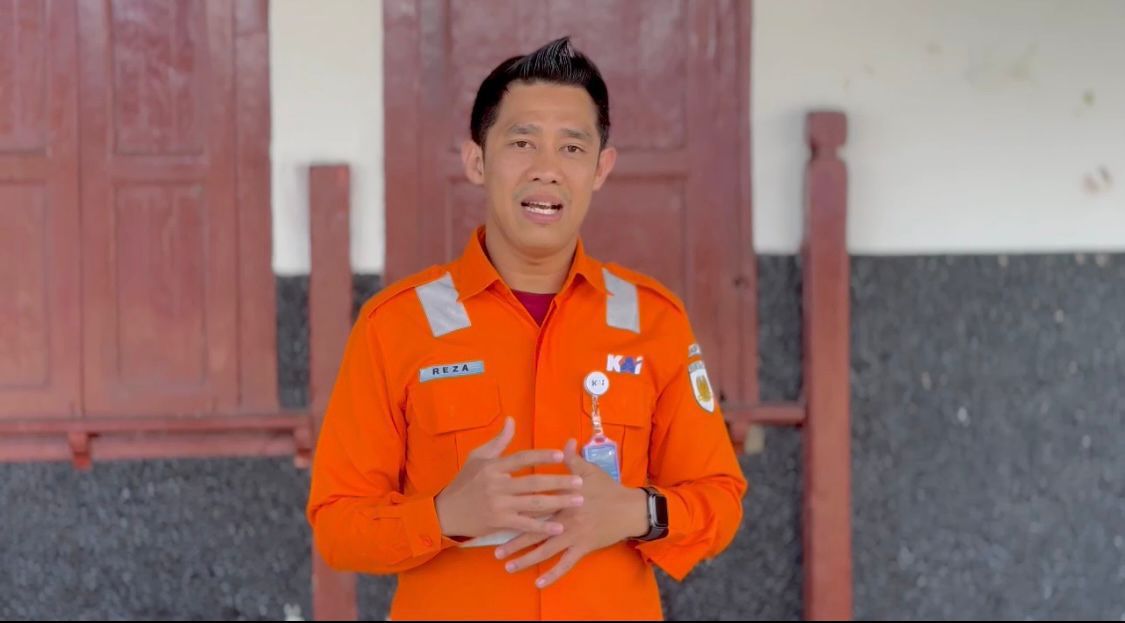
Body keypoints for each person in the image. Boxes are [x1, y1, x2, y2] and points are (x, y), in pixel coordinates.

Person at [306, 36, 747, 621]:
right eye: (522, 142)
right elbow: (337, 526)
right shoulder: (396, 325)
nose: (546, 169)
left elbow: (720, 500)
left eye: (572, 147)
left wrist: (636, 513)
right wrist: (444, 516)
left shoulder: (653, 320)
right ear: (477, 161)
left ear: (601, 168)